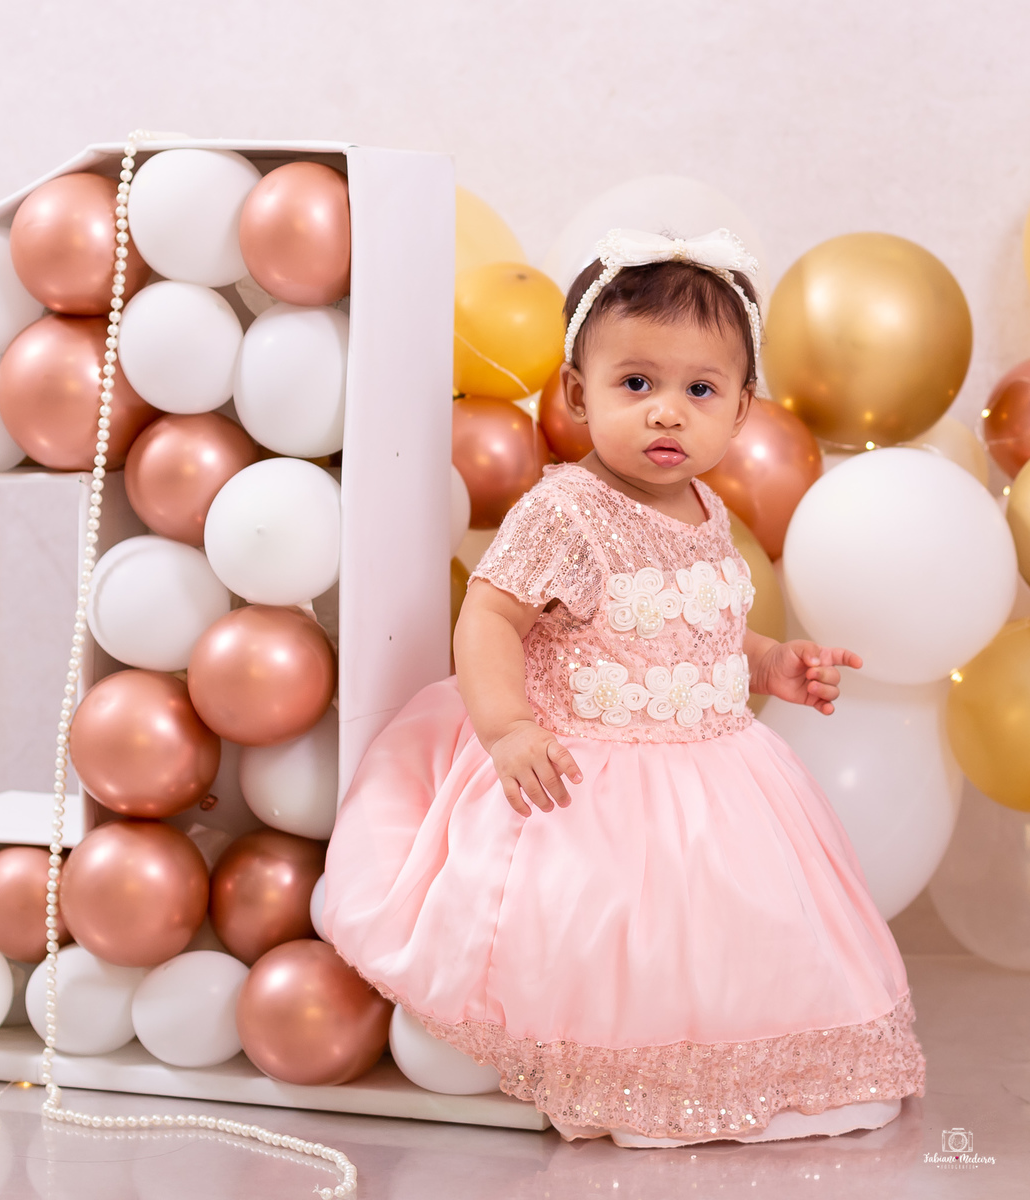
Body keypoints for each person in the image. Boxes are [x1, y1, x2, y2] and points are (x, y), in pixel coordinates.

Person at [322, 228, 925, 1147]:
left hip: (714, 777)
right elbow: (488, 619)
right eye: (636, 384)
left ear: (741, 409)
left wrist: (767, 661)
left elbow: (690, 621)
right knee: (610, 930)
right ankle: (613, 1061)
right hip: (586, 774)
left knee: (725, 932)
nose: (667, 414)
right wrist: (508, 727)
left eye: (700, 391)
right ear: (577, 393)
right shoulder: (564, 512)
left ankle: (720, 1060)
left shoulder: (705, 506)